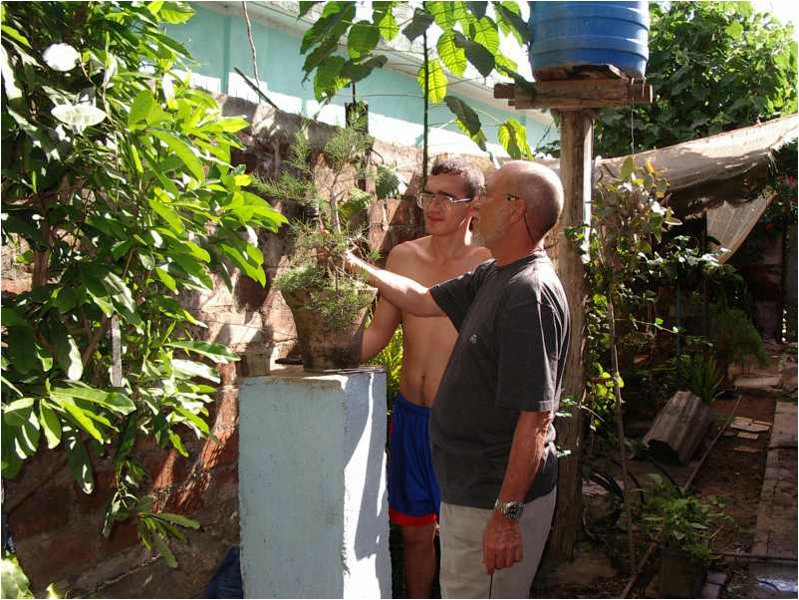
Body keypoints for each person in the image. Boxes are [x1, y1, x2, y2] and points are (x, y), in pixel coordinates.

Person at [349, 161, 570, 598]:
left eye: (487, 195)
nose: (479, 204)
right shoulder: (497, 274)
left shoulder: (528, 293)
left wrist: (506, 517)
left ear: (514, 210)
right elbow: (421, 299)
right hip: (466, 481)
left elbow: (536, 418)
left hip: (489, 494)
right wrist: (350, 263)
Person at [361, 157, 491, 599]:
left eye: (447, 197)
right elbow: (379, 333)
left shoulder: (488, 263)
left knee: (464, 540)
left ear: (473, 206)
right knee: (416, 535)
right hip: (412, 418)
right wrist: (318, 352)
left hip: (460, 427)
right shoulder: (403, 256)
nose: (433, 206)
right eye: (428, 195)